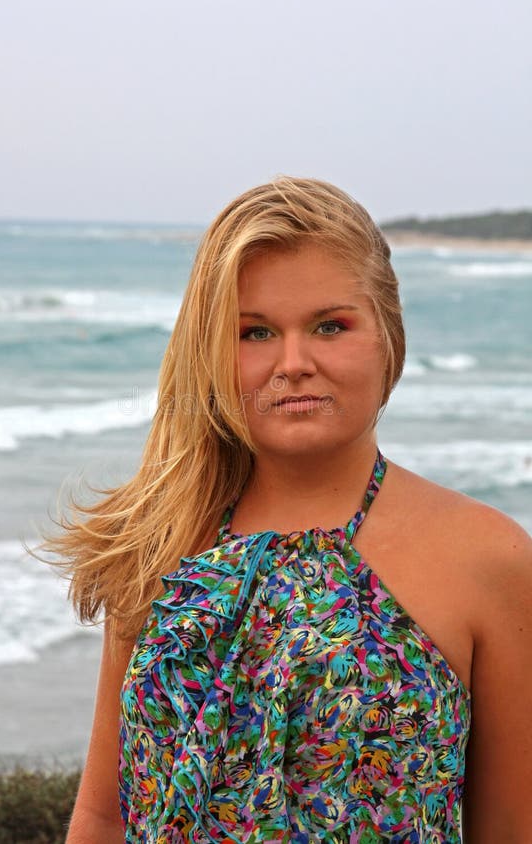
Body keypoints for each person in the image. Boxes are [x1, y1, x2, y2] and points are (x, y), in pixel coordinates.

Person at [47, 177, 532, 842]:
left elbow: (510, 827)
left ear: (387, 335)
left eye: (330, 326)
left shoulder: (489, 558)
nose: (294, 362)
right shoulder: (161, 541)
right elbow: (104, 814)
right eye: (255, 333)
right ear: (214, 352)